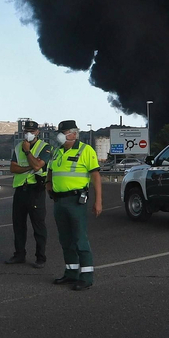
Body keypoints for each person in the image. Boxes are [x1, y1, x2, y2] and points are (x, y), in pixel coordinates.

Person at [48, 120, 103, 290]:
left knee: (79, 238)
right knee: (65, 239)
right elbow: (51, 171)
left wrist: (98, 201)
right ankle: (71, 272)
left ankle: (86, 276)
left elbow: (95, 176)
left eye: (63, 132)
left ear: (73, 133)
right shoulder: (57, 152)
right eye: (60, 132)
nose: (60, 135)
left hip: (76, 201)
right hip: (59, 201)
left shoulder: (86, 150)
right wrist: (48, 186)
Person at [5, 118, 51, 267]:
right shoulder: (18, 147)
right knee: (18, 225)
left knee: (38, 225)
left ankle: (40, 257)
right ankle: (19, 254)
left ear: (37, 132)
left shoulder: (45, 147)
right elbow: (13, 168)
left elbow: (38, 166)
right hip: (20, 190)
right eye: (26, 131)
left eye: (32, 131)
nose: (29, 134)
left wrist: (27, 152)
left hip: (35, 190)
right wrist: (28, 167)